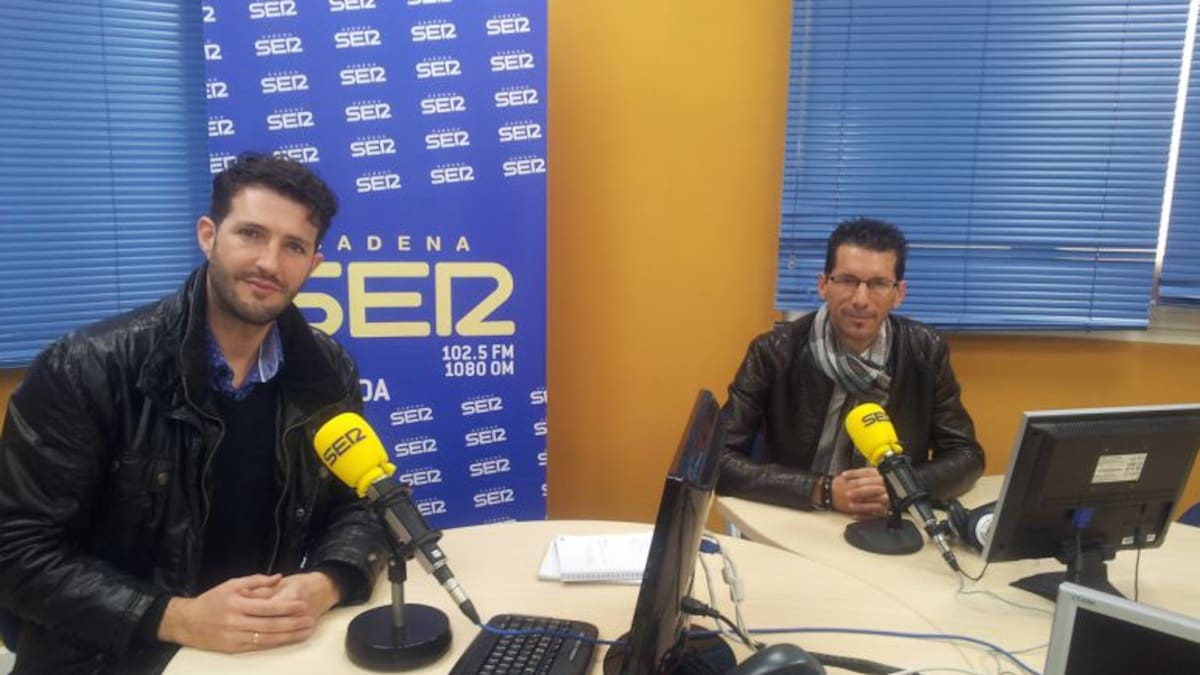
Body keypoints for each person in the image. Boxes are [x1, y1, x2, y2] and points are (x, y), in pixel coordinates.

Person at [0, 153, 387, 674]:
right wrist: (174, 617)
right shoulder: (86, 367)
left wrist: (328, 581)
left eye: (293, 246)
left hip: (257, 656)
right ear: (208, 235)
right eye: (250, 234)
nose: (269, 263)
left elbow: (361, 504)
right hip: (103, 659)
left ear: (313, 264)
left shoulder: (324, 369)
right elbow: (15, 550)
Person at [716, 217, 984, 518]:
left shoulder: (925, 350)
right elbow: (718, 458)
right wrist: (822, 490)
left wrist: (899, 486)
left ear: (899, 293)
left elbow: (967, 455)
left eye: (878, 284)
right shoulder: (774, 351)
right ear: (824, 285)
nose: (860, 299)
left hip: (890, 519)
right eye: (847, 280)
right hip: (800, 514)